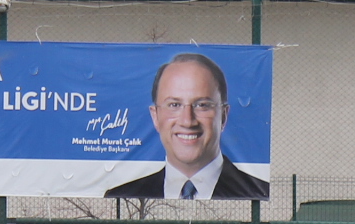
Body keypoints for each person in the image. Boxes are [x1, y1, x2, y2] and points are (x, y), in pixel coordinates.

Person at [102, 52, 269, 200]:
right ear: (155, 116)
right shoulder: (122, 196)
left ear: (223, 116)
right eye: (174, 105)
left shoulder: (258, 192)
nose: (188, 121)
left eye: (202, 105)